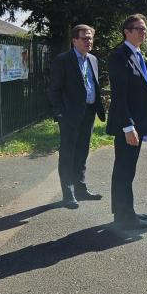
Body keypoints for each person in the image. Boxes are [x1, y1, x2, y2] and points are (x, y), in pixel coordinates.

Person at [47, 25, 107, 209]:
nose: (89, 42)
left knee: (82, 152)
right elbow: (53, 89)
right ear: (75, 41)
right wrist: (60, 112)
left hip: (88, 113)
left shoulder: (93, 60)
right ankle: (68, 193)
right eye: (84, 38)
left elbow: (92, 84)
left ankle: (81, 190)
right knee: (68, 154)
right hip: (69, 115)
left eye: (90, 38)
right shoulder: (63, 60)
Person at [107, 14, 147, 228]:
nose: (143, 32)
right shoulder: (120, 56)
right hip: (127, 127)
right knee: (124, 170)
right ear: (126, 31)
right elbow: (119, 96)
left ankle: (125, 212)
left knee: (127, 170)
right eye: (139, 29)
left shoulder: (136, 54)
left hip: (137, 125)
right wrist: (128, 127)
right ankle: (125, 216)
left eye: (145, 29)